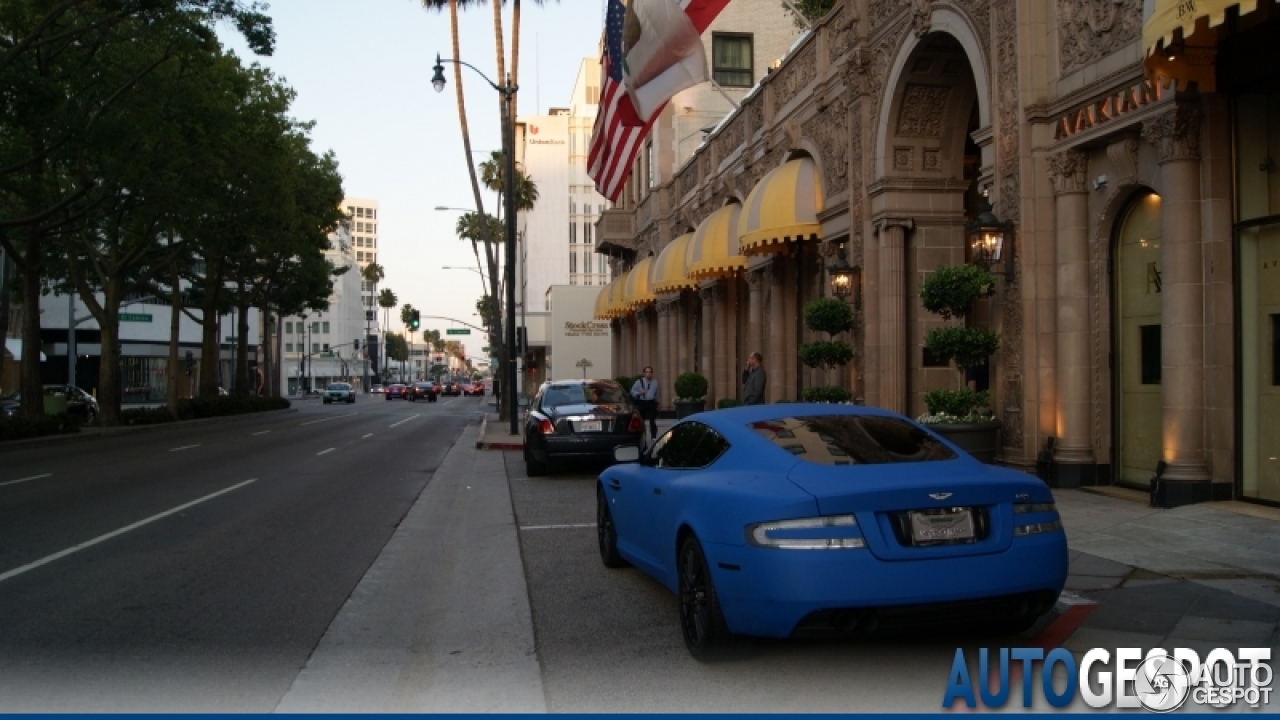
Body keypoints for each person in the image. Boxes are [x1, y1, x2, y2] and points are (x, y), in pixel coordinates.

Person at [630, 366, 659, 438]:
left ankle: (654, 436)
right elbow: (632, 391)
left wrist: (657, 402)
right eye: (647, 372)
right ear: (644, 373)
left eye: (650, 372)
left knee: (652, 420)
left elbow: (657, 393)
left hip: (651, 402)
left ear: (652, 373)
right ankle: (642, 435)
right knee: (641, 420)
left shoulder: (655, 382)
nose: (648, 374)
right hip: (642, 402)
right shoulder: (639, 382)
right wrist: (639, 393)